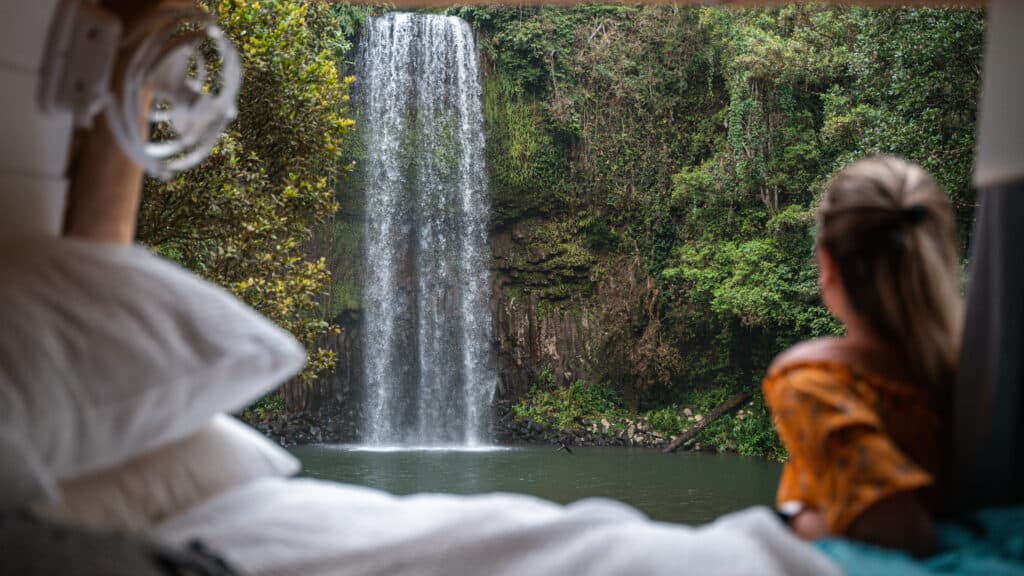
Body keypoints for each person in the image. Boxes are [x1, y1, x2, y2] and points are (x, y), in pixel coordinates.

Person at [763, 156, 964, 557]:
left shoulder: (814, 382)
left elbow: (901, 530)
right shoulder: (986, 365)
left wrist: (794, 521)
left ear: (828, 265)